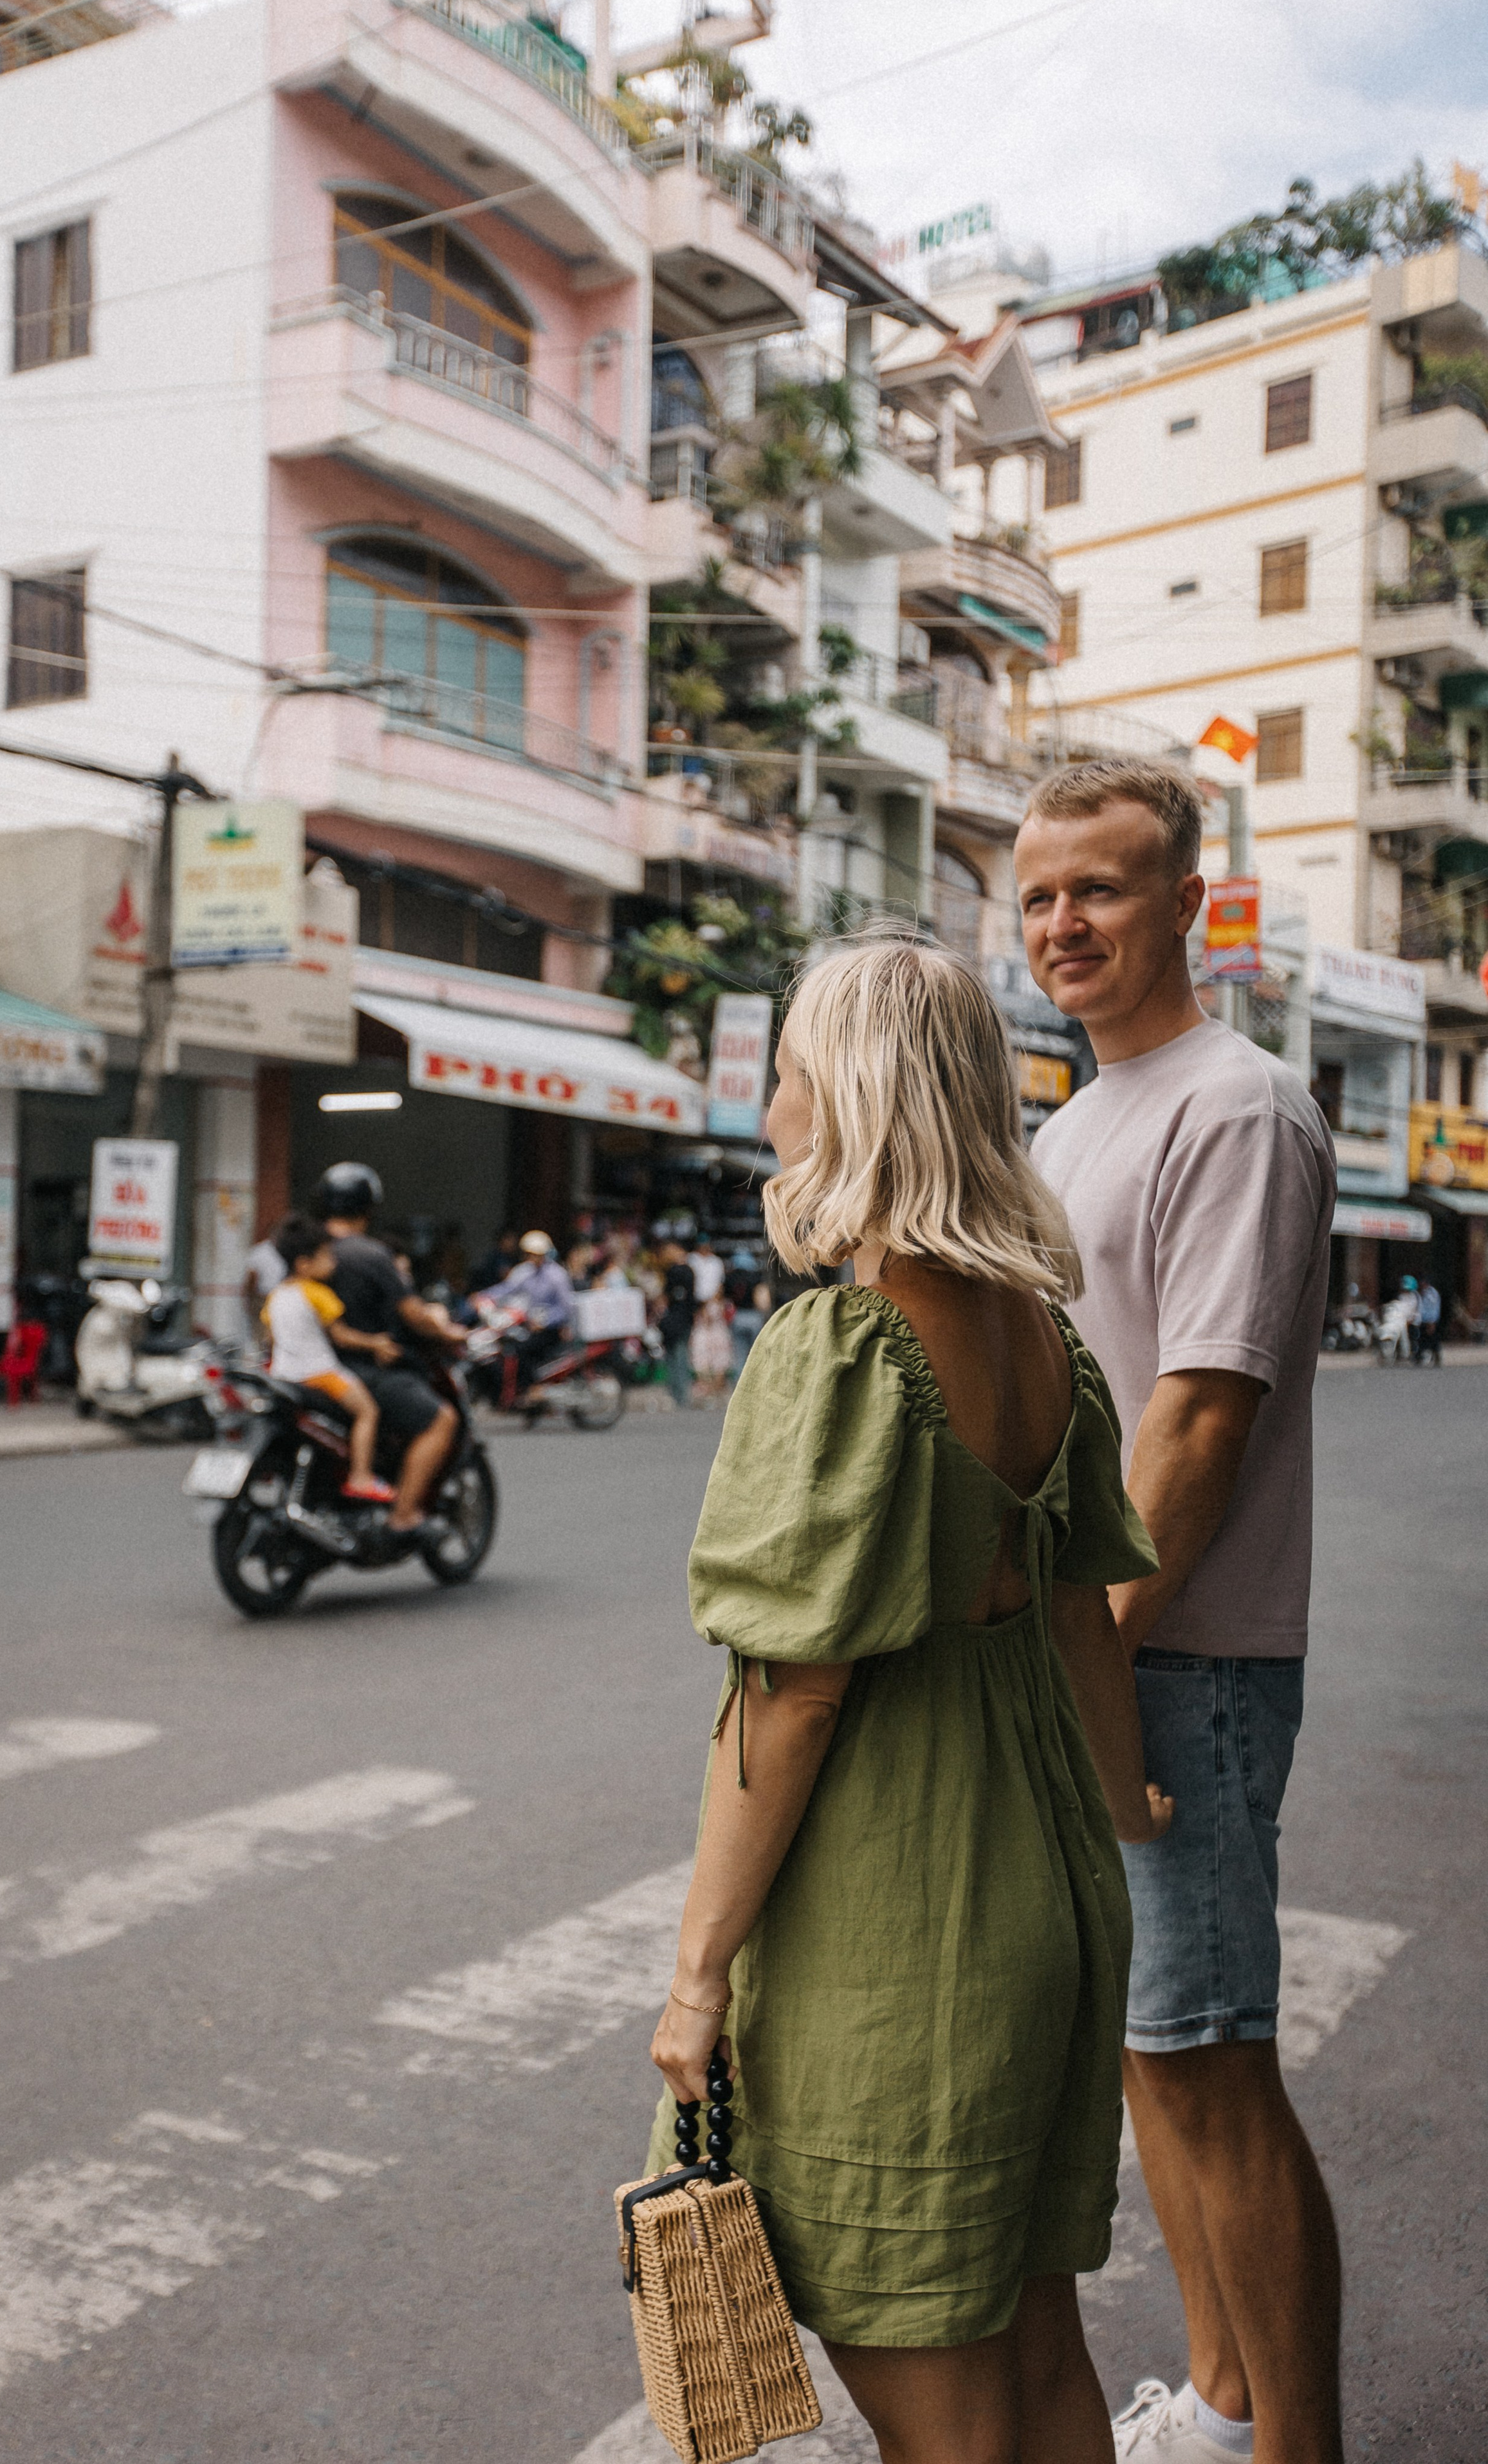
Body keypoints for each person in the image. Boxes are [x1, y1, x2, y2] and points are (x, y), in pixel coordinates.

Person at [647, 941, 1170, 2464]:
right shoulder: (1039, 1338)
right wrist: (1126, 1800)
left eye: (788, 1069)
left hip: (903, 1912)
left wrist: (696, 1972)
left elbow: (791, 1695)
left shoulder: (846, 1343)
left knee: (934, 2404)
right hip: (1044, 1887)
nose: (770, 1102)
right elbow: (1080, 1618)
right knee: (1032, 2346)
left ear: (853, 1095)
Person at [1015, 760, 1341, 2464]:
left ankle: (1298, 2446)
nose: (1064, 923)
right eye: (1040, 897)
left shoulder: (1239, 1106)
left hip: (1184, 1663)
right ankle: (1221, 2410)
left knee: (1216, 2076)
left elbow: (1197, 1429)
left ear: (1190, 906)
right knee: (1154, 2060)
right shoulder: (1073, 1125)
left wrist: (1090, 1656)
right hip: (1107, 1656)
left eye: (1102, 888)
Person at [313, 1164, 465, 1536]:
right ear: (368, 1208)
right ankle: (404, 1515)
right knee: (441, 1420)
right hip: (362, 1370)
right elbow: (412, 1314)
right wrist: (446, 1332)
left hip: (306, 1370)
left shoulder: (305, 1251)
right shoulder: (372, 1255)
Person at [264, 1215, 392, 1502]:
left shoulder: (276, 1296)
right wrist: (376, 1343)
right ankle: (361, 1478)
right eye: (326, 1256)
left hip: (284, 1375)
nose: (333, 1262)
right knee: (367, 1412)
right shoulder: (319, 1294)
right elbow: (343, 1337)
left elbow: (271, 1338)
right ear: (304, 1265)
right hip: (320, 1373)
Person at [482, 1229, 576, 1393]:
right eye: (530, 1254)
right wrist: (483, 1297)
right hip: (530, 1325)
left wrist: (545, 1322)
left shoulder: (557, 1276)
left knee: (521, 1350)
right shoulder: (525, 1272)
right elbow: (507, 1289)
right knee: (509, 1344)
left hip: (551, 1330)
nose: (533, 1258)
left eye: (537, 1254)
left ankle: (533, 1389)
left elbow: (566, 1308)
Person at [655, 1238, 697, 1408]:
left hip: (674, 1320)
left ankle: (678, 1393)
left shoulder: (674, 1271)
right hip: (685, 1320)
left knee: (676, 1357)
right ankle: (681, 1394)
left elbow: (666, 1297)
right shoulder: (689, 1271)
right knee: (680, 1356)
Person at [724, 1247, 771, 1383]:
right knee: (756, 1354)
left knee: (739, 1356)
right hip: (754, 1317)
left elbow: (726, 1299)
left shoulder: (731, 1278)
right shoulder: (756, 1277)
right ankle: (757, 1383)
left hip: (738, 1317)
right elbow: (763, 1300)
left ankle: (739, 1386)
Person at [1415, 1276, 1443, 1366]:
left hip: (1430, 1321)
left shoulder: (1432, 1294)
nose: (1421, 1286)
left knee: (1433, 1340)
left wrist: (1431, 1322)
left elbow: (1433, 1308)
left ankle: (1437, 1357)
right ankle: (1419, 1357)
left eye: (1423, 1284)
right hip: (1423, 1321)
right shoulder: (1422, 1293)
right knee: (1422, 1340)